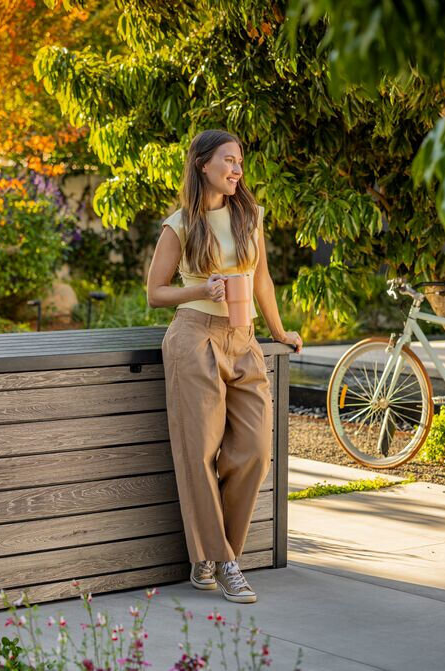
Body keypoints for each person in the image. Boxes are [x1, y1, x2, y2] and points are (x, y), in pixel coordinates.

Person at [146, 129, 303, 603]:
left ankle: (216, 556)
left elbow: (264, 281)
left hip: (244, 339)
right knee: (200, 453)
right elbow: (155, 294)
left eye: (239, 163)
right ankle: (222, 563)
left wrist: (278, 332)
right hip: (194, 337)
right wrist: (199, 289)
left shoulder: (249, 217)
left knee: (255, 450)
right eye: (229, 161)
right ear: (202, 165)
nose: (237, 170)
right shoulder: (179, 225)